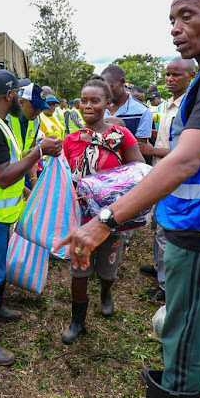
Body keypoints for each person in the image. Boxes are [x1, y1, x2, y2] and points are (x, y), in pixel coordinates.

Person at [56, 0, 200, 398]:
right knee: (198, 321)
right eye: (172, 19)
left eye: (187, 16)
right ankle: (191, 380)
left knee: (184, 330)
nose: (176, 27)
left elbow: (184, 162)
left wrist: (105, 219)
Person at [0, 69, 62, 366]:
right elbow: (3, 177)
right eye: (17, 92)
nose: (19, 96)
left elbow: (7, 166)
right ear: (8, 96)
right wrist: (38, 152)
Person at [60, 76, 144, 344]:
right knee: (79, 270)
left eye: (94, 100)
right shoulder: (71, 140)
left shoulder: (121, 136)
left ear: (108, 104)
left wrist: (109, 188)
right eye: (83, 100)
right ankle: (77, 321)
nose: (87, 105)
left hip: (112, 217)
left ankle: (106, 293)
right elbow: (65, 176)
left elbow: (140, 170)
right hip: (80, 217)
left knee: (107, 271)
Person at [137, 57, 197, 302]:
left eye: (176, 75)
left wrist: (152, 151)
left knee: (166, 230)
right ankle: (159, 268)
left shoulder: (190, 105)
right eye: (167, 74)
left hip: (176, 177)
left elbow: (191, 151)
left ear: (191, 76)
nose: (170, 79)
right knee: (157, 225)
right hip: (160, 173)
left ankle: (167, 286)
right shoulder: (168, 106)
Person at [7, 82, 50, 192]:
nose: (38, 112)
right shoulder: (7, 120)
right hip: (6, 175)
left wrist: (34, 183)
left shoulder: (35, 120)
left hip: (22, 171)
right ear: (21, 102)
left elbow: (30, 154)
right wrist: (26, 191)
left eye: (40, 109)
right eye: (35, 107)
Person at [101, 65, 153, 145]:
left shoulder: (142, 111)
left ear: (122, 82)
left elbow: (139, 147)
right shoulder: (99, 108)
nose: (106, 92)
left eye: (109, 87)